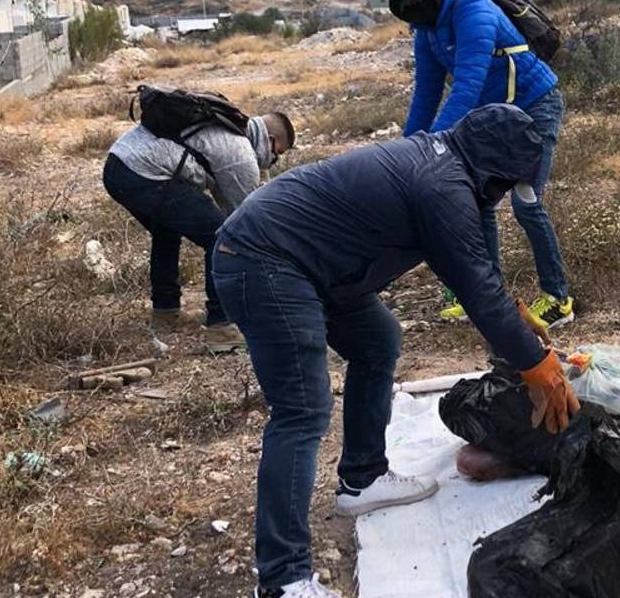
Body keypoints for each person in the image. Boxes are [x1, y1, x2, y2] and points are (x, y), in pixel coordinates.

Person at [211, 103, 579, 598]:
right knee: (302, 410)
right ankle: (282, 580)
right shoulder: (442, 185)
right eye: (507, 184)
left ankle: (362, 479)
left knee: (378, 340)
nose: (503, 194)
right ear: (495, 171)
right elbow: (476, 289)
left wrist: (515, 316)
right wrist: (537, 364)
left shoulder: (448, 166)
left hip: (314, 264)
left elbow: (476, 266)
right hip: (265, 260)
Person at [386, 0, 574, 332]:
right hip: (496, 121)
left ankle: (558, 298)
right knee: (479, 202)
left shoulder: (472, 8)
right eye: (407, 7)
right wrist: (403, 154)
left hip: (535, 107)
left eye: (421, 0)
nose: (417, 9)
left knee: (526, 202)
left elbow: (467, 88)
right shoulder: (427, 32)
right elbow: (425, 95)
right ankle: (488, 293)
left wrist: (430, 148)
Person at [103, 107, 295, 354]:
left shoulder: (226, 129)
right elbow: (242, 224)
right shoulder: (241, 155)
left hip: (117, 167)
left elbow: (228, 206)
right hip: (142, 173)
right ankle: (221, 328)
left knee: (166, 230)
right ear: (269, 140)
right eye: (277, 153)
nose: (273, 161)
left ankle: (165, 312)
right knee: (222, 240)